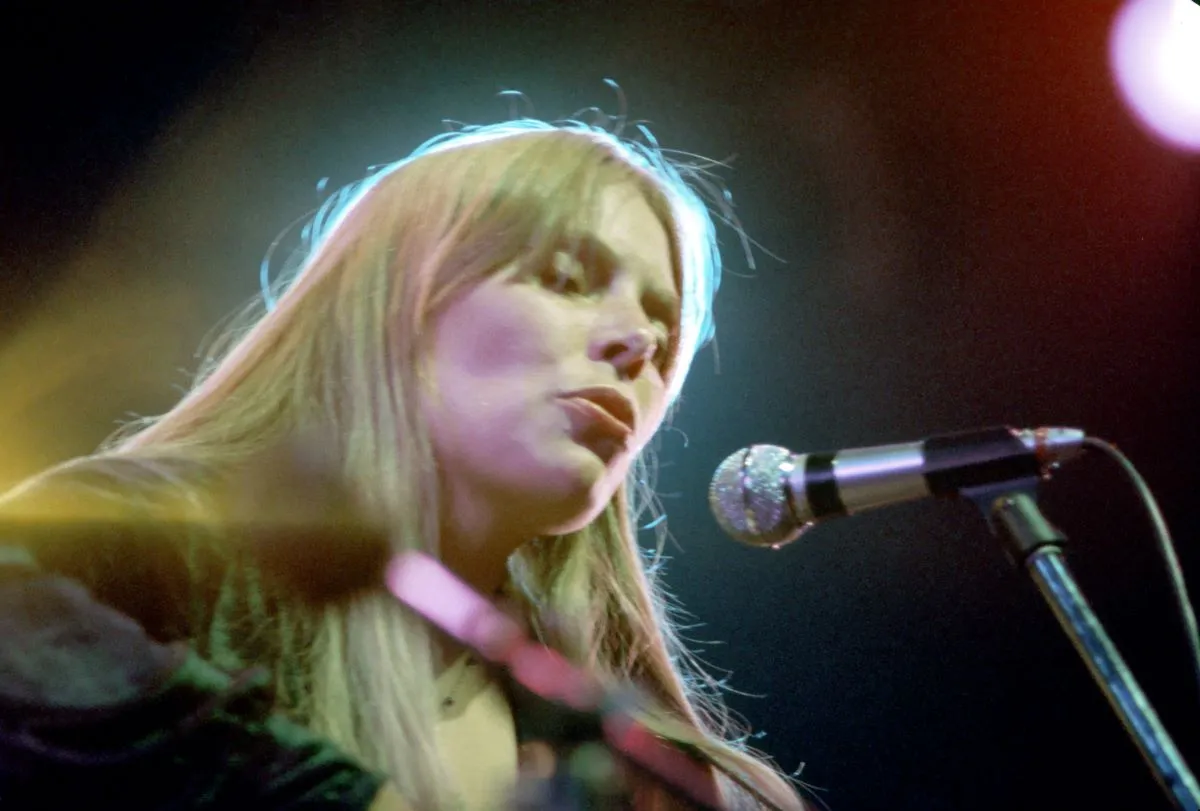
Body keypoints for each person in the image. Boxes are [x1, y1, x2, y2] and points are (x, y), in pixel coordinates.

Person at [0, 118, 808, 810]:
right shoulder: (160, 552)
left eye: (664, 337)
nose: (637, 344)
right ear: (396, 304)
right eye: (567, 279)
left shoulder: (656, 775)